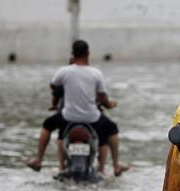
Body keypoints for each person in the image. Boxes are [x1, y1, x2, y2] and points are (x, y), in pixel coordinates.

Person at [26, 40, 128, 176]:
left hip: (68, 117)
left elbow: (53, 86)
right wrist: (110, 104)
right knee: (112, 129)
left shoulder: (64, 71)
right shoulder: (96, 73)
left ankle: (39, 160)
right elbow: (103, 97)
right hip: (92, 117)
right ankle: (115, 165)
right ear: (88, 54)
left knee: (47, 125)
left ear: (72, 54)